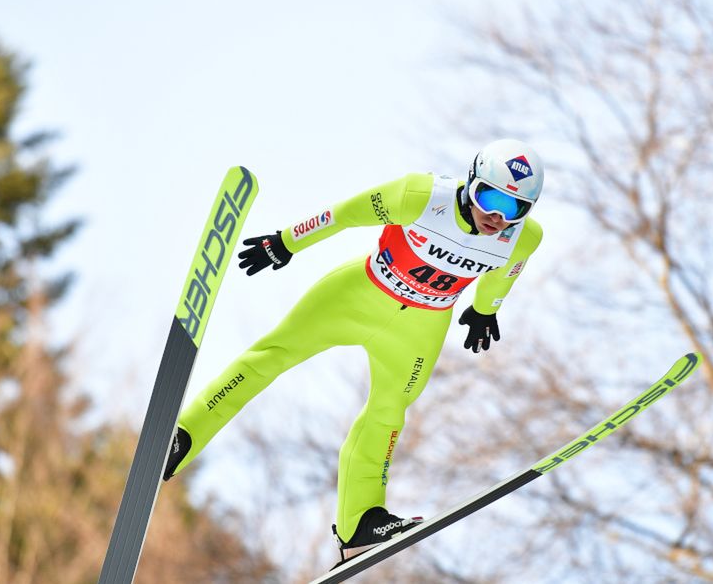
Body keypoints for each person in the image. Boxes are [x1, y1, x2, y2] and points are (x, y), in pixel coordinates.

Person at [163, 139, 545, 562]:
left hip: (420, 327)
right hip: (357, 295)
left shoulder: (523, 238)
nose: (497, 216)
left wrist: (484, 310)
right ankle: (183, 436)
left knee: (389, 412)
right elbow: (344, 214)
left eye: (513, 208)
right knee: (272, 355)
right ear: (471, 182)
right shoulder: (421, 196)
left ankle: (359, 523)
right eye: (489, 197)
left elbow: (504, 273)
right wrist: (287, 242)